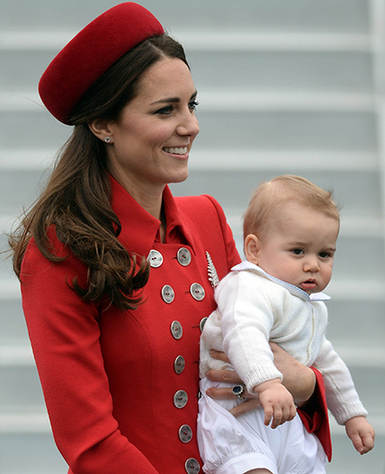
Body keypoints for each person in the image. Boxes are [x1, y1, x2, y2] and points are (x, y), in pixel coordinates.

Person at [9, 4, 330, 473]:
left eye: (191, 104)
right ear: (103, 125)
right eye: (166, 110)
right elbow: (89, 441)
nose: (191, 126)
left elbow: (278, 342)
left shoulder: (208, 219)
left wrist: (304, 384)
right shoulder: (61, 250)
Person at [198, 175, 375, 474]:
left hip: (286, 418)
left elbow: (327, 361)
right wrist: (268, 382)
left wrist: (352, 414)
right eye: (297, 251)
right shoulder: (249, 286)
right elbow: (244, 333)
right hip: (237, 417)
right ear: (254, 249)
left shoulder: (309, 305)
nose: (312, 264)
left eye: (324, 254)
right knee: (250, 465)